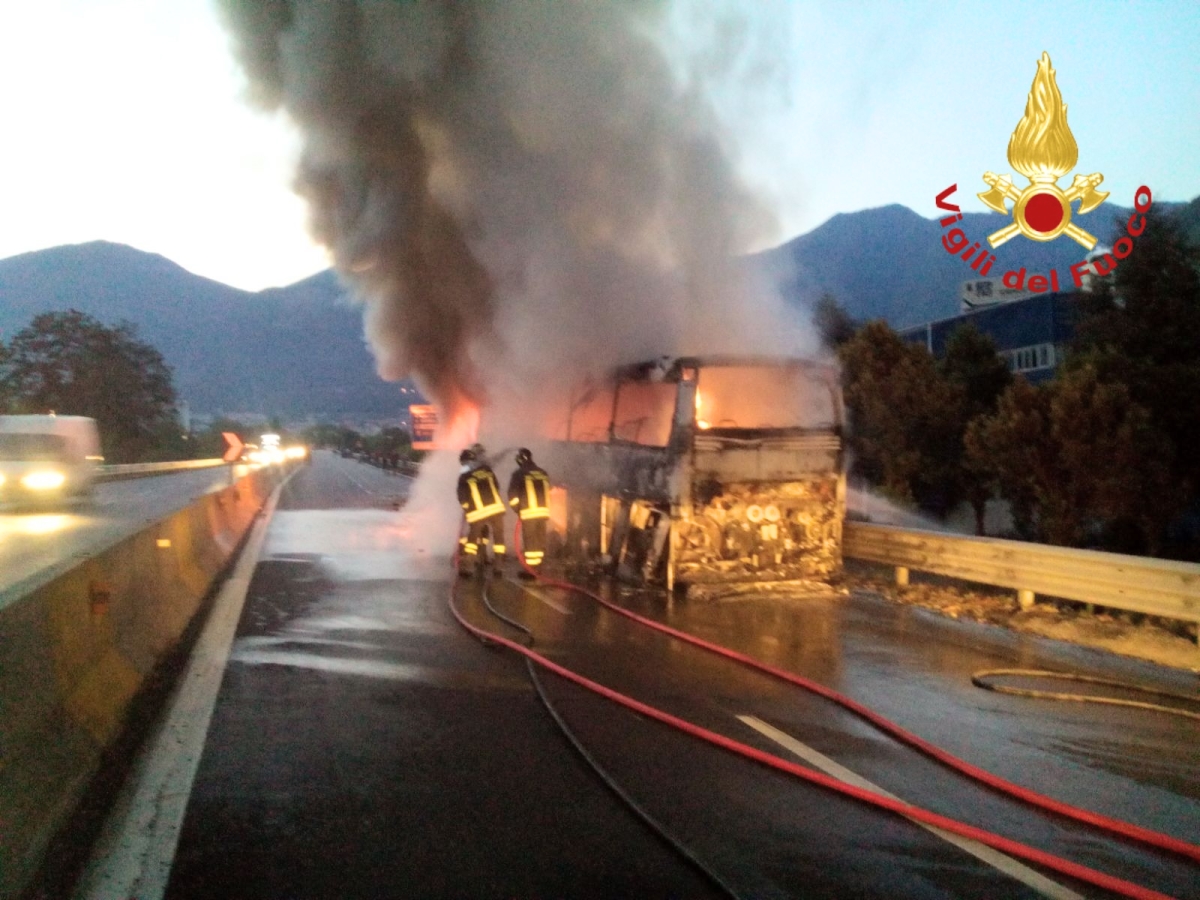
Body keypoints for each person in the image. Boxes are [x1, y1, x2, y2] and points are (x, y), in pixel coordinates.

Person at [456, 445, 507, 577]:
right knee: (499, 539)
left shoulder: (464, 477)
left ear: (465, 462)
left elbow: (462, 498)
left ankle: (468, 567)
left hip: (478, 512)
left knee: (472, 540)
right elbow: (496, 487)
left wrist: (468, 509)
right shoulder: (488, 471)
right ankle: (499, 567)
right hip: (496, 509)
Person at [507, 447, 551, 577]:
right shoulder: (542, 472)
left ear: (522, 459)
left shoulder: (519, 474)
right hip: (543, 512)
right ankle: (538, 568)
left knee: (530, 541)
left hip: (528, 512)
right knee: (540, 540)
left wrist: (518, 510)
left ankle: (530, 571)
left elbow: (512, 496)